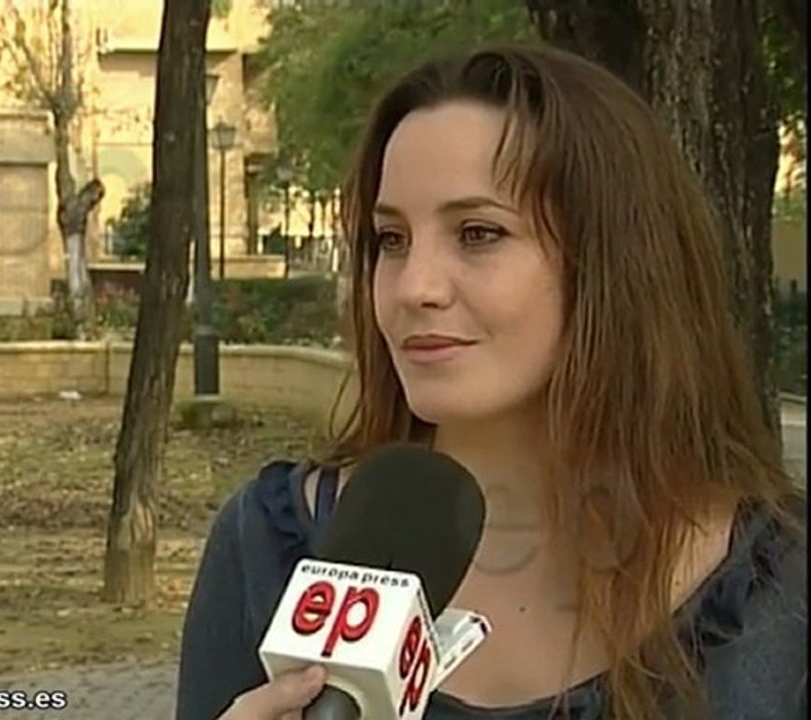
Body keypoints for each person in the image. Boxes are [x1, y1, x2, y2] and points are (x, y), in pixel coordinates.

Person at [176, 44, 807, 720]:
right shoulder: (267, 545)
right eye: (390, 240)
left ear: (616, 263)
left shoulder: (778, 586)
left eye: (477, 233)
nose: (414, 287)